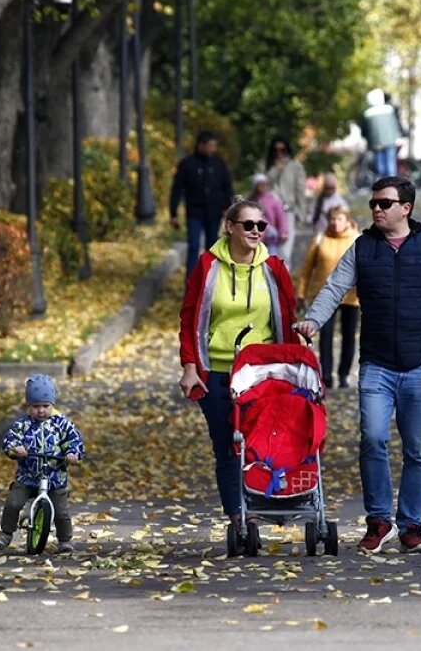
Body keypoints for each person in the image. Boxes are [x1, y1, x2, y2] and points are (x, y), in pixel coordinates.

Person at [295, 176, 421, 555]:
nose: (377, 209)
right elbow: (335, 288)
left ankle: (411, 526)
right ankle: (379, 521)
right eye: (373, 203)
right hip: (377, 365)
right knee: (372, 439)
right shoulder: (363, 248)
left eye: (385, 203)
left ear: (406, 208)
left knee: (417, 450)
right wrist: (313, 321)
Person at [178, 198, 299, 538]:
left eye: (261, 226)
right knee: (227, 445)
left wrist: (294, 364)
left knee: (261, 442)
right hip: (217, 369)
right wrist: (189, 365)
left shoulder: (274, 267)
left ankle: (259, 505)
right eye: (248, 225)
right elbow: (189, 318)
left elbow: (287, 318)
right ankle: (239, 516)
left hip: (263, 373)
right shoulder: (207, 266)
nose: (256, 231)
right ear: (230, 227)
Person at [0, 374, 86, 553]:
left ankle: (65, 539)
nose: (41, 411)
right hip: (28, 476)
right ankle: (6, 533)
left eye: (45, 406)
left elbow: (74, 440)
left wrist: (73, 454)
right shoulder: (23, 424)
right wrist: (15, 448)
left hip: (55, 477)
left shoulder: (62, 424)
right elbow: (10, 439)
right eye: (36, 406)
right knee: (13, 503)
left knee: (61, 512)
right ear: (29, 405)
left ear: (53, 404)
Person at [296, 204, 361, 390]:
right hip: (324, 295)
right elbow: (307, 269)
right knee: (326, 336)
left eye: (339, 219)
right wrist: (301, 293)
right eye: (332, 219)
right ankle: (326, 375)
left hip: (351, 297)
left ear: (347, 221)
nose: (335, 223)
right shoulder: (320, 238)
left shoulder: (357, 239)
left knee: (349, 336)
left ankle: (343, 375)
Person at [170, 130, 234, 273]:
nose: (213, 149)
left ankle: (209, 278)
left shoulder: (219, 164)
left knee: (212, 248)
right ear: (201, 145)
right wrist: (173, 213)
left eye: (215, 146)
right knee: (193, 246)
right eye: (210, 145)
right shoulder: (187, 164)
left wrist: (228, 208)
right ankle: (191, 281)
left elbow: (227, 187)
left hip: (214, 212)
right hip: (194, 212)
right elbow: (177, 189)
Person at [264, 137, 308, 266]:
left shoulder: (295, 166)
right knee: (267, 251)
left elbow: (300, 191)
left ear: (287, 150)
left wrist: (302, 213)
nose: (279, 153)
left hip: (288, 211)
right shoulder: (266, 165)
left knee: (285, 251)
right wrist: (275, 170)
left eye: (282, 150)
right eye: (276, 150)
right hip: (268, 214)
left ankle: (283, 275)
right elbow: (262, 187)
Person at [360, 89, 404, 179]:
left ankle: (383, 185)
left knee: (380, 168)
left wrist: (367, 141)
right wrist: (400, 135)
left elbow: (365, 131)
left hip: (376, 143)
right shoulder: (389, 109)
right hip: (390, 141)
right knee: (391, 166)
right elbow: (396, 124)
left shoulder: (368, 113)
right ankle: (393, 185)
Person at [250, 173, 288, 257]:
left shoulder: (272, 200)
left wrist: (283, 232)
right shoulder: (251, 201)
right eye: (260, 185)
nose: (262, 187)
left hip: (270, 236)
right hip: (256, 235)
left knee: (271, 257)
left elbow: (281, 217)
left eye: (264, 184)